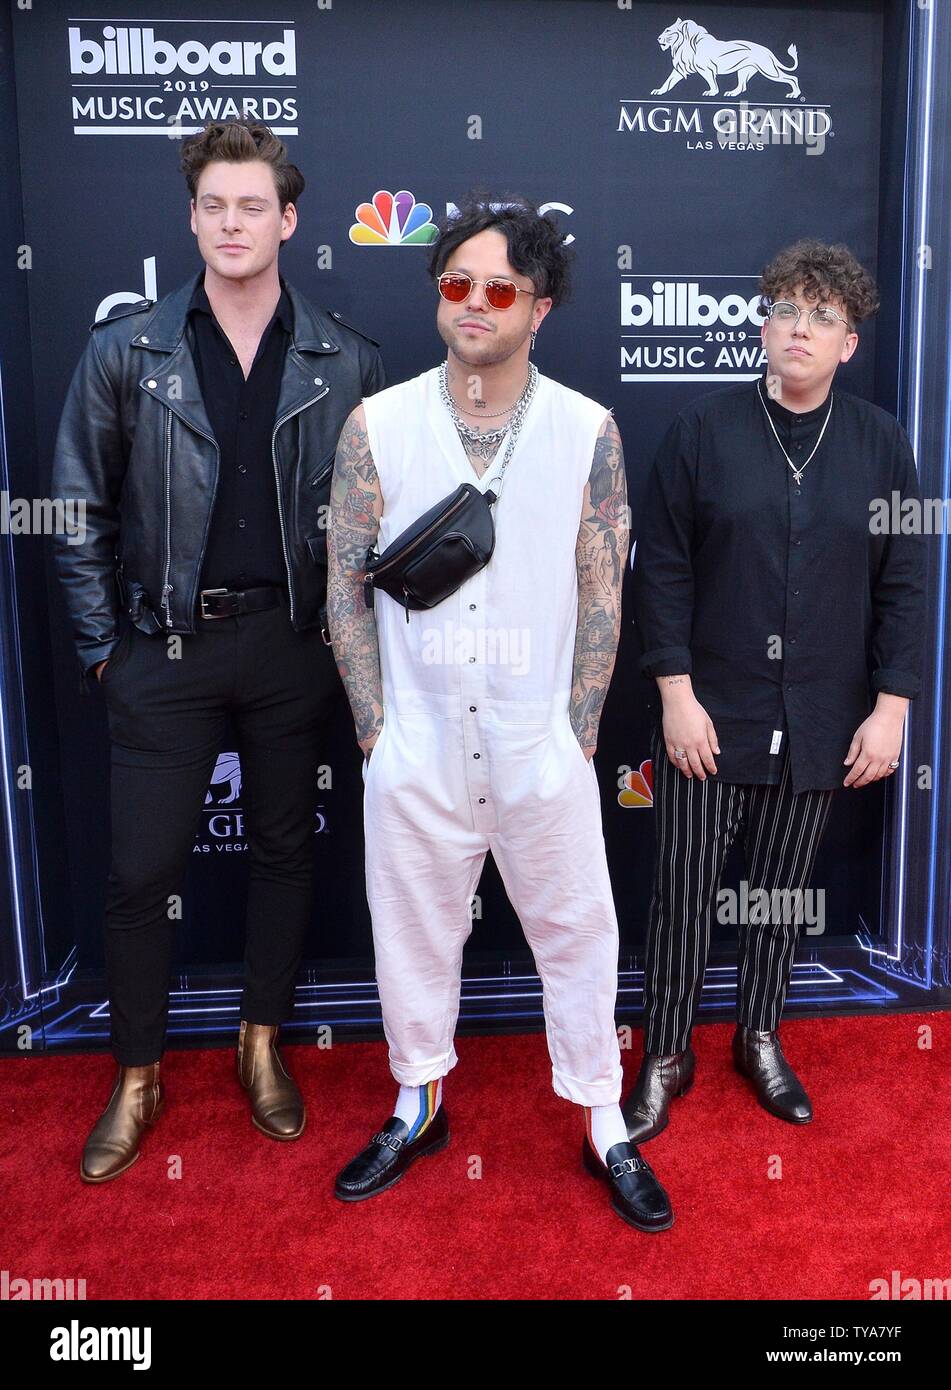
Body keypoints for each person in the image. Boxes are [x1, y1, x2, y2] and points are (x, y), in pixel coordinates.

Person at [327, 197, 672, 1232]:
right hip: (417, 740)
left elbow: (605, 582)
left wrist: (579, 731)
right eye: (455, 284)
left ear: (542, 305)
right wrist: (374, 731)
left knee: (579, 932)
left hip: (540, 743)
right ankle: (416, 1097)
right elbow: (344, 577)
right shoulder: (377, 423)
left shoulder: (586, 429)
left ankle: (606, 1120)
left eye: (499, 288)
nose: (474, 303)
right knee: (412, 935)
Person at [51, 119, 385, 1183]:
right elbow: (74, 511)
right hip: (165, 652)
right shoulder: (126, 351)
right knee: (140, 870)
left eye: (252, 205)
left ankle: (261, 1047)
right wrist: (109, 649)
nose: (231, 223)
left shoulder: (348, 357)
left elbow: (371, 528)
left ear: (288, 219)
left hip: (293, 651)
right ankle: (138, 1074)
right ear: (191, 217)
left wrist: (344, 648)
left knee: (288, 853)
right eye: (213, 205)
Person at [624, 240, 926, 1142]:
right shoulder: (701, 432)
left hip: (823, 716)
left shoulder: (880, 443)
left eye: (822, 317)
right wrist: (674, 692)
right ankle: (666, 1051)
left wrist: (891, 707)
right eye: (787, 309)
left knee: (780, 891)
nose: (800, 328)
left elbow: (905, 578)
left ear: (847, 344)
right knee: (682, 891)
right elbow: (663, 571)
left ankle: (759, 1034)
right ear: (762, 323)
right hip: (709, 712)